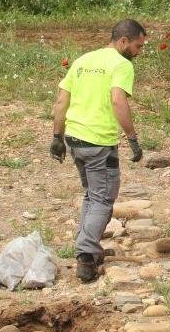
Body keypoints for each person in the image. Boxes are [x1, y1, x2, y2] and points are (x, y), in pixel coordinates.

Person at [49, 19, 147, 282]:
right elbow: (118, 100)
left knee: (92, 196)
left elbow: (61, 101)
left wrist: (57, 136)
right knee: (103, 200)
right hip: (99, 143)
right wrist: (133, 138)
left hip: (75, 141)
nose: (139, 52)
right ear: (123, 41)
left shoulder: (83, 61)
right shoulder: (121, 65)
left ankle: (89, 250)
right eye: (138, 46)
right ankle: (85, 255)